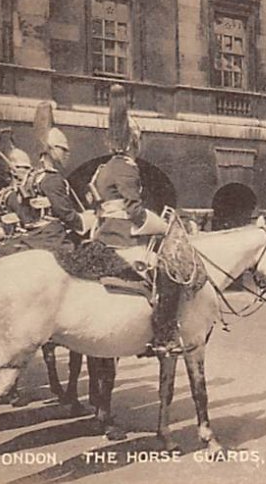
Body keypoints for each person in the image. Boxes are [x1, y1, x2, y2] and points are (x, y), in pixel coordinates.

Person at [91, 85, 175, 354]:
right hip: (122, 237)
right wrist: (161, 226)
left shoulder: (103, 169)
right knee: (166, 275)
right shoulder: (128, 168)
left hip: (103, 234)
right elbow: (135, 211)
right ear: (133, 141)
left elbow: (97, 202)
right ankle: (162, 337)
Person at [19, 129, 95, 251]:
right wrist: (88, 220)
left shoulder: (32, 176)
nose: (67, 154)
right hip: (53, 238)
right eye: (63, 149)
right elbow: (67, 215)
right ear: (51, 149)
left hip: (32, 235)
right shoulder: (53, 179)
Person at [0, 147, 35, 236]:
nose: (30, 172)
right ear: (13, 171)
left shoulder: (2, 194)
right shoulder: (14, 196)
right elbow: (29, 223)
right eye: (26, 168)